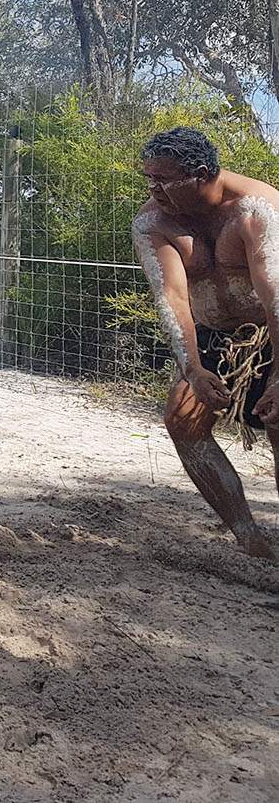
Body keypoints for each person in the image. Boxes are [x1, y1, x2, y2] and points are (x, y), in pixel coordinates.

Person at [132, 126, 279, 560]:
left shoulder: (256, 208)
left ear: (200, 174)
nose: (154, 189)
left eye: (164, 179)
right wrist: (193, 368)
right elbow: (171, 297)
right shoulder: (153, 222)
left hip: (270, 330)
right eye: (149, 178)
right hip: (214, 336)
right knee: (182, 420)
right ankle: (249, 538)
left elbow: (276, 297)